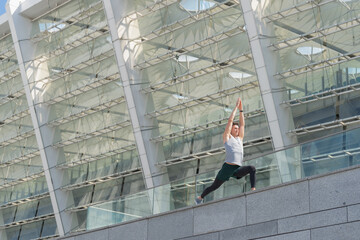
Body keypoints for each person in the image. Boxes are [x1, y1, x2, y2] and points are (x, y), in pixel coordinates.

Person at [195, 97, 256, 204]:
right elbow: (230, 121)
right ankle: (200, 198)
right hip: (227, 168)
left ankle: (253, 190)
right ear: (231, 130)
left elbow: (242, 124)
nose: (237, 130)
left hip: (236, 169)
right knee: (214, 186)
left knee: (252, 168)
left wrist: (241, 110)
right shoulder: (227, 137)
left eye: (237, 129)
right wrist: (236, 108)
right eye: (235, 128)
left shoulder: (239, 138)